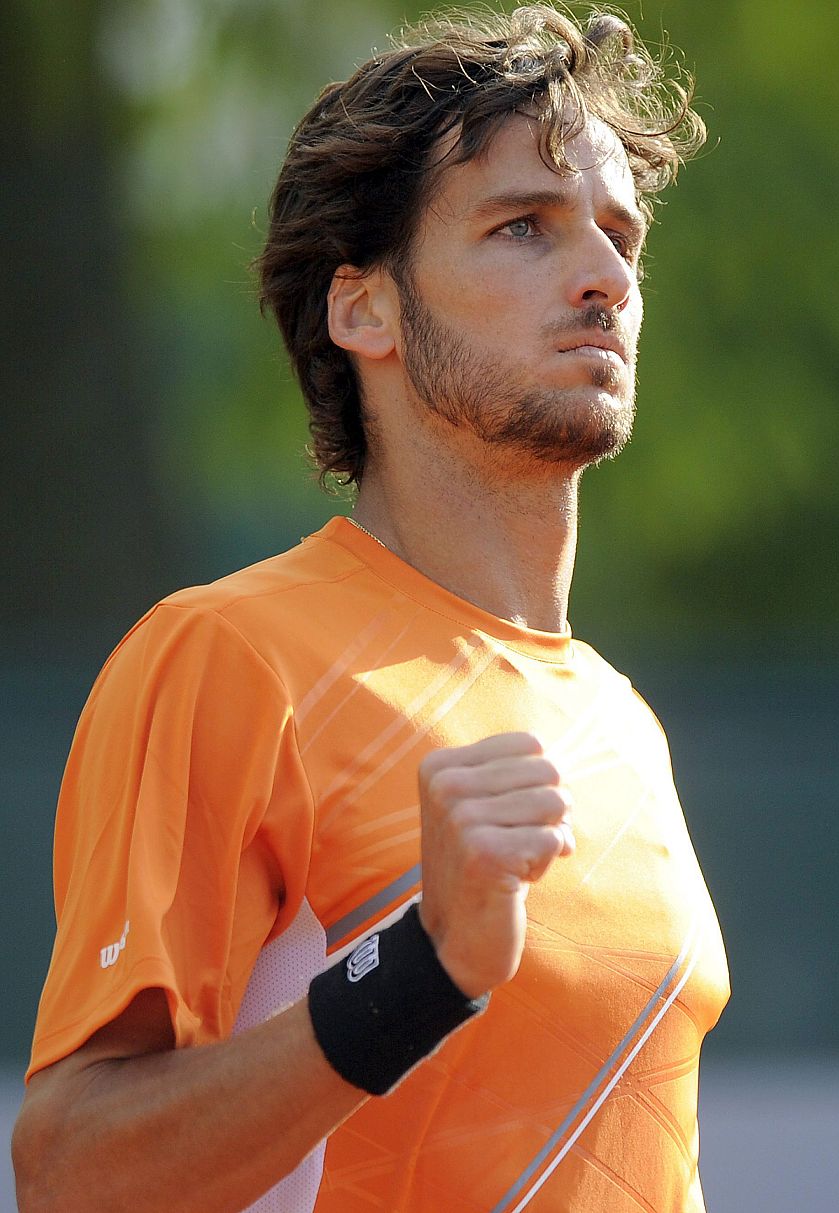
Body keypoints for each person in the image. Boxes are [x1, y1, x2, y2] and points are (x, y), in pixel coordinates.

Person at [10, 6, 727, 1211]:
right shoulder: (227, 654)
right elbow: (75, 1172)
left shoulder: (621, 721)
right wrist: (418, 973)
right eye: (522, 228)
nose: (604, 274)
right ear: (365, 311)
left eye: (618, 234)